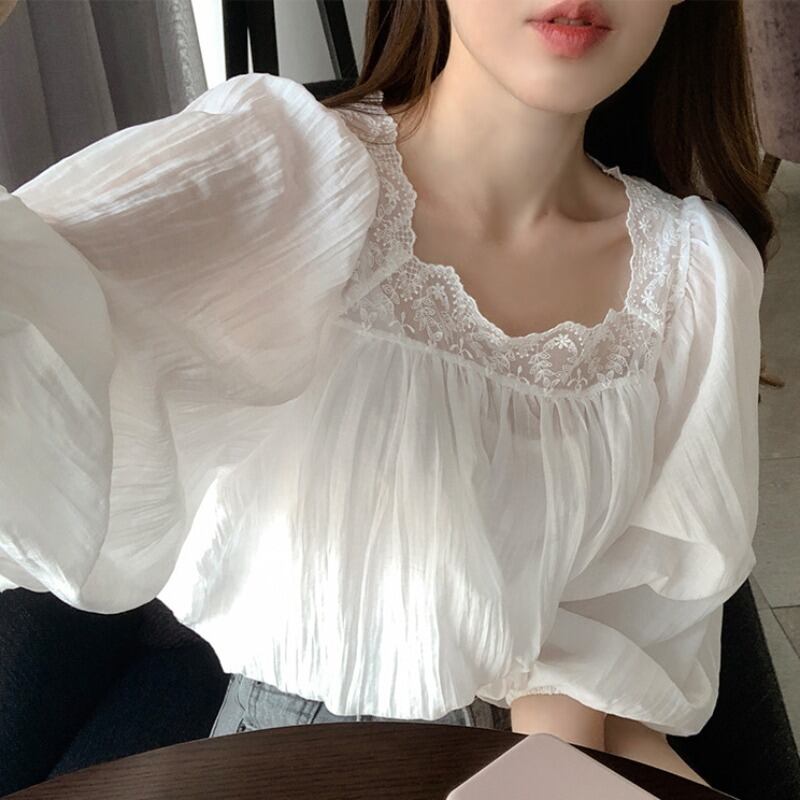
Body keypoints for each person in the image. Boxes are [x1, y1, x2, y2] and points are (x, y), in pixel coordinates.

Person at [0, 0, 773, 791]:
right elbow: (27, 317)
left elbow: (605, 668)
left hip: (529, 767)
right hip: (290, 760)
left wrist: (564, 772)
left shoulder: (697, 277)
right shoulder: (283, 169)